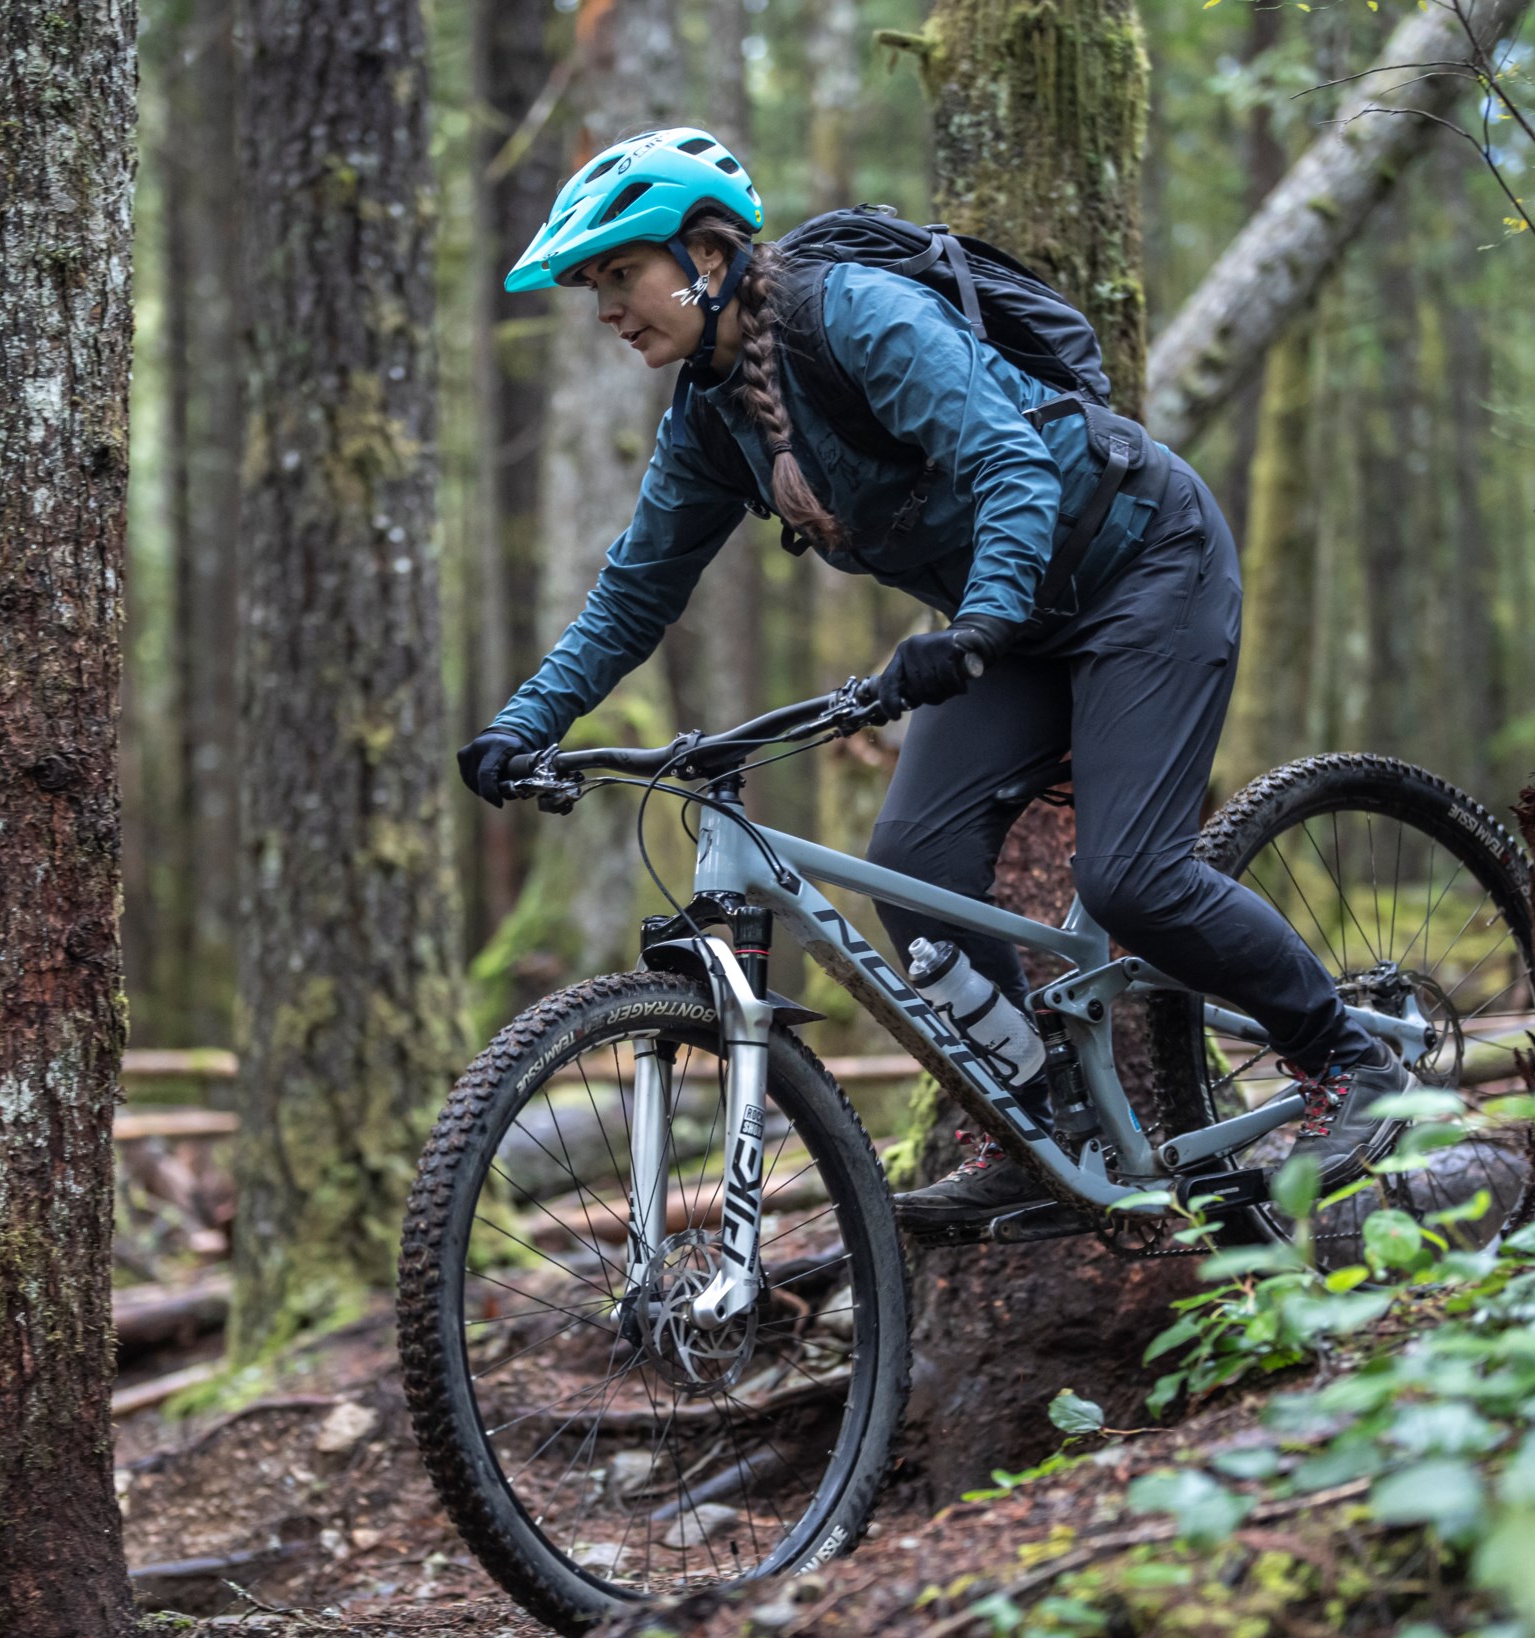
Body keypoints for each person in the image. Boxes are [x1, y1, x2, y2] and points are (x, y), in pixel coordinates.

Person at [455, 126, 1410, 1230]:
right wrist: (523, 724)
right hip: (1018, 622)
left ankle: (1344, 1054)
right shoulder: (709, 425)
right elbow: (634, 593)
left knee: (1135, 881)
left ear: (707, 258)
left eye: (622, 275)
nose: (608, 308)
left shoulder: (850, 311)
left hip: (1145, 563)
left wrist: (983, 619)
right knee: (914, 866)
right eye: (594, 288)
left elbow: (1007, 458)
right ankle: (1048, 1130)